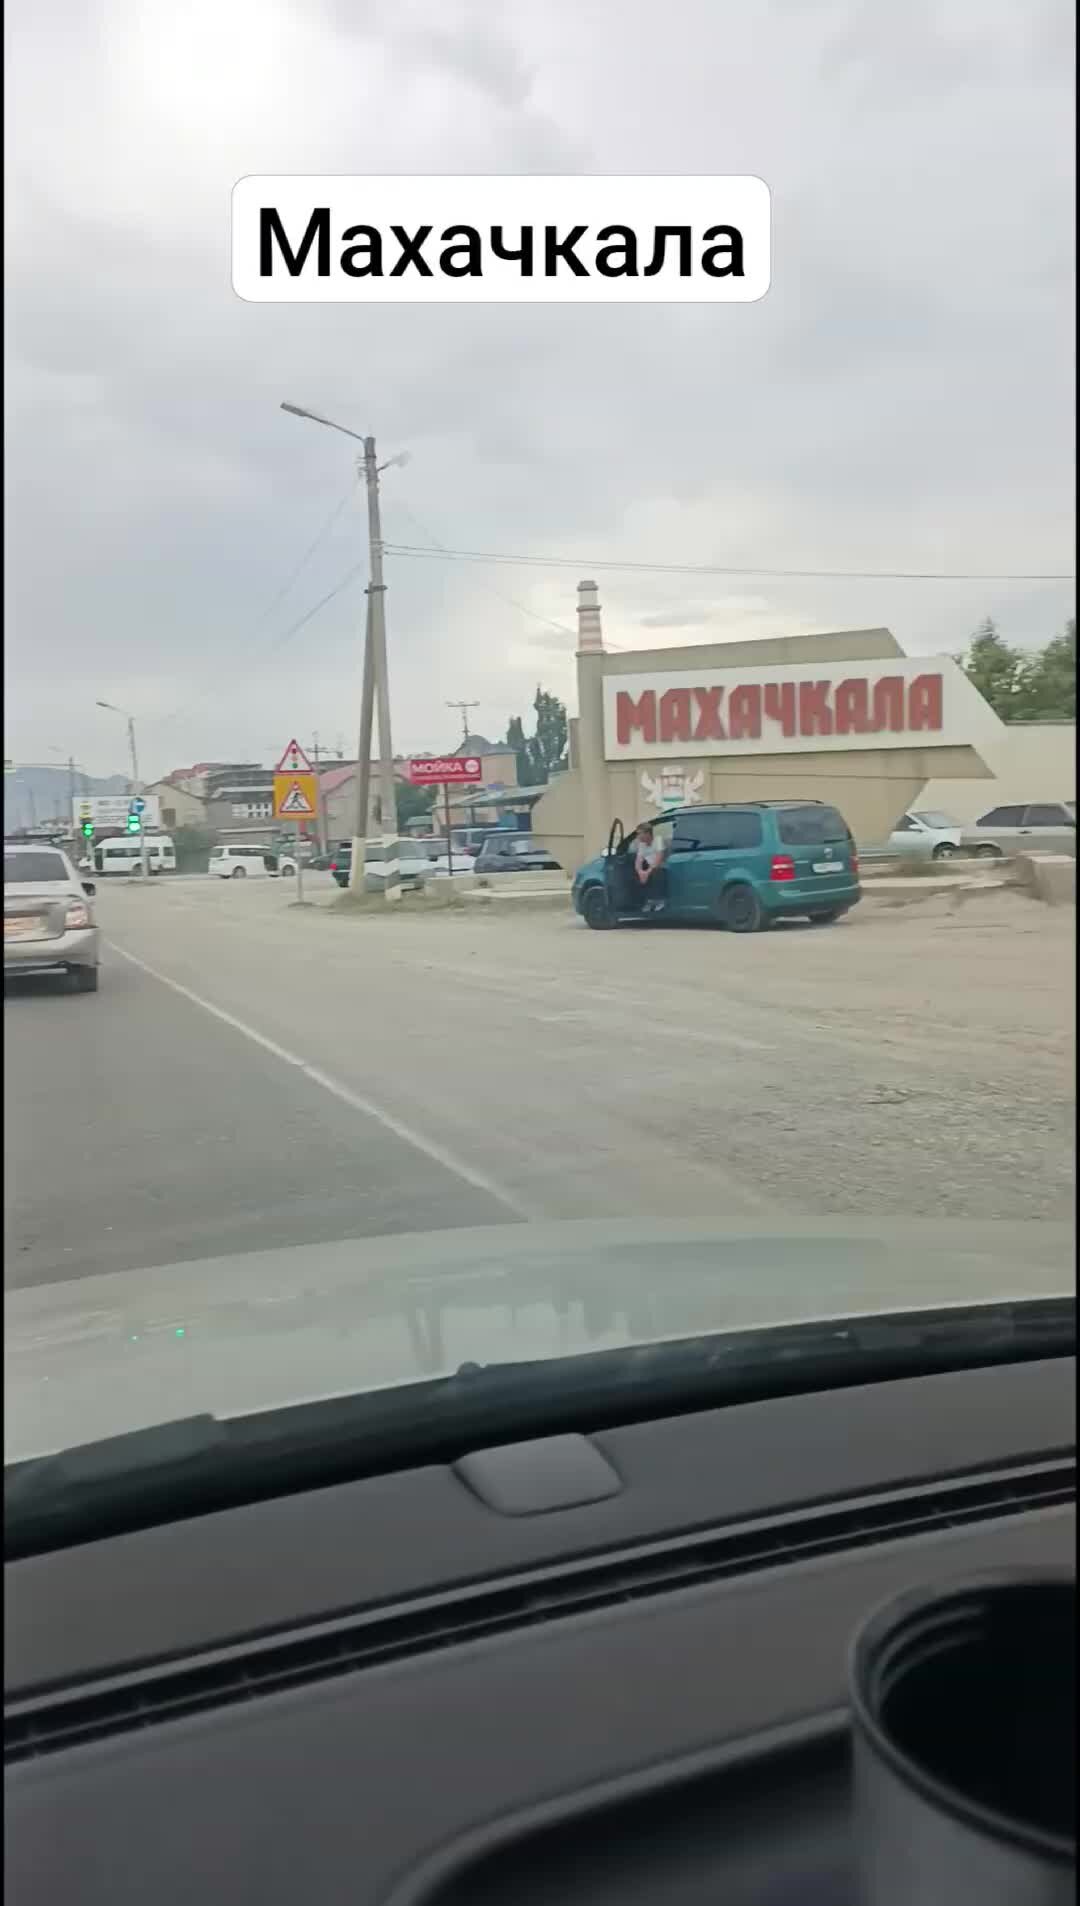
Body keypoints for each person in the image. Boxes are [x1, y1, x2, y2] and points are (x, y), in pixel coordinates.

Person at [633, 822, 667, 914]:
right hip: (648, 867)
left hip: (659, 867)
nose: (638, 836)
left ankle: (659, 900)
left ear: (647, 833)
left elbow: (659, 858)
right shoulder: (642, 844)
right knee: (635, 875)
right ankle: (648, 901)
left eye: (640, 833)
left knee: (656, 872)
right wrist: (640, 872)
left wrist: (647, 873)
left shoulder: (658, 840)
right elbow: (638, 860)